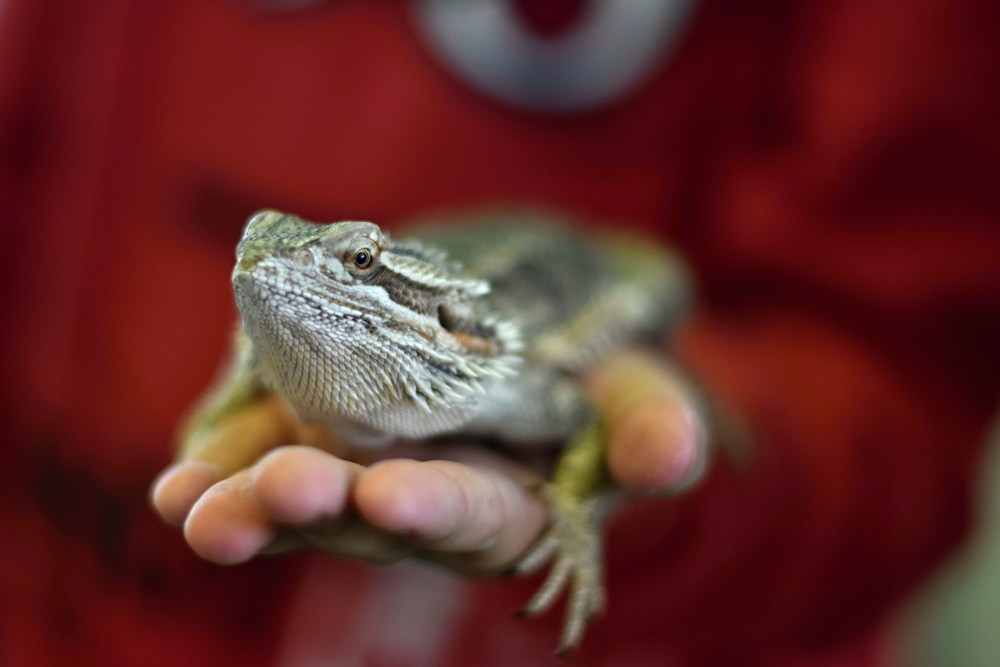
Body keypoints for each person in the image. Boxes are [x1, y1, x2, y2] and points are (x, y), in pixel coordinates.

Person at [1, 0, 998, 665]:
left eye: (354, 265)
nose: (277, 283)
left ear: (440, 318)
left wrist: (601, 502)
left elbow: (900, 350)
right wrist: (232, 393)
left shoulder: (516, 384)